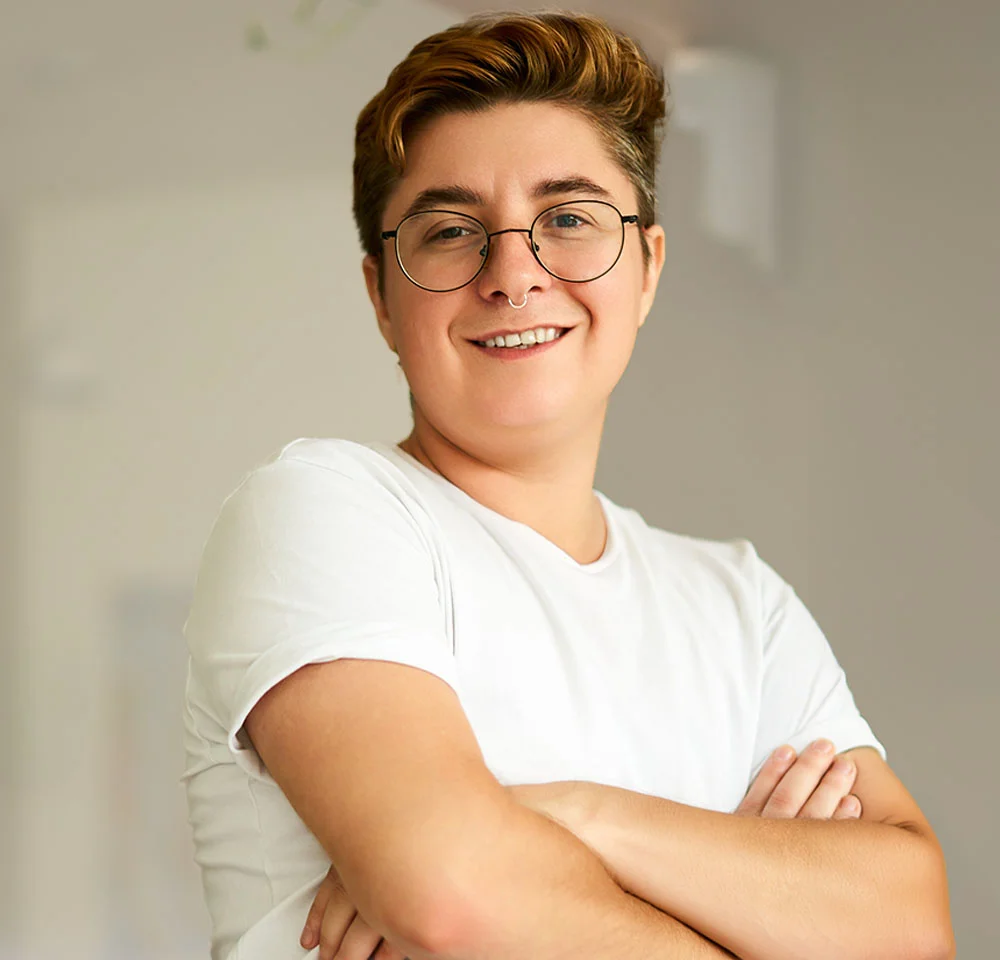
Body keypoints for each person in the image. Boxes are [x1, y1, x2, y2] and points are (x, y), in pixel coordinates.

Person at [182, 11, 954, 960]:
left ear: (647, 270)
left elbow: (910, 927)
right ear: (382, 295)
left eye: (571, 220)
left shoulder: (742, 607)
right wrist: (752, 907)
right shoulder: (323, 511)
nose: (513, 274)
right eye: (452, 230)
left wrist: (582, 819)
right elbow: (453, 897)